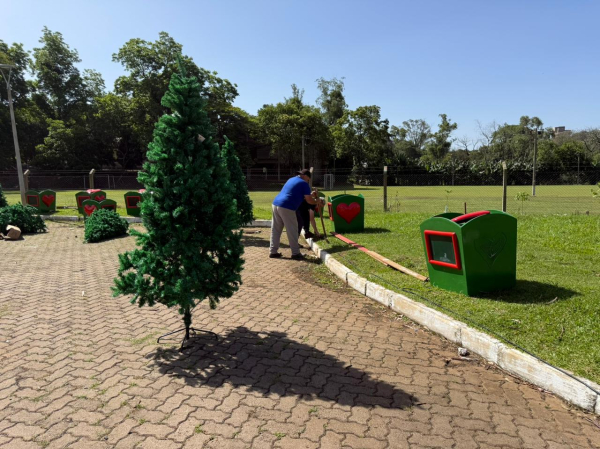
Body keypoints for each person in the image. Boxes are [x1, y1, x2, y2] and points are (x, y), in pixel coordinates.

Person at [270, 169, 320, 260]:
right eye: (308, 179)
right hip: (287, 206)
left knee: (276, 229)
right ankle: (295, 253)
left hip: (276, 203)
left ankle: (273, 252)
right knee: (292, 230)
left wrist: (310, 195)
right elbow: (309, 201)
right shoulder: (304, 183)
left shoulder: (291, 179)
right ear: (306, 176)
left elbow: (296, 194)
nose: (308, 181)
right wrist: (317, 201)